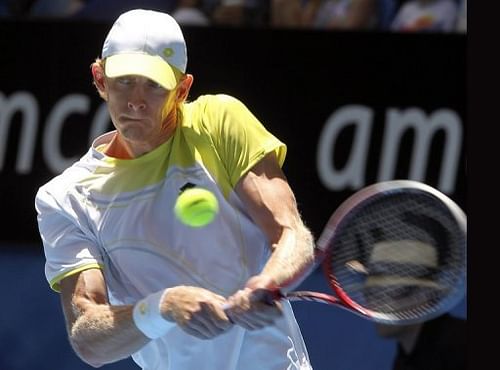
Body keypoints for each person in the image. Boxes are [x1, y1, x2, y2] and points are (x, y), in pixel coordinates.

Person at [34, 8, 316, 370]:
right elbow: (89, 339)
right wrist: (163, 306)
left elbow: (292, 234)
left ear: (182, 90)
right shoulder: (65, 198)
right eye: (124, 81)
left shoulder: (220, 122)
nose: (136, 99)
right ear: (100, 79)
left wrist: (268, 281)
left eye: (154, 84)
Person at [364, 240, 467, 370]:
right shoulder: (403, 361)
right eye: (370, 293)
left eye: (385, 292)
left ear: (423, 294)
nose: (373, 304)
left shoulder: (462, 346)